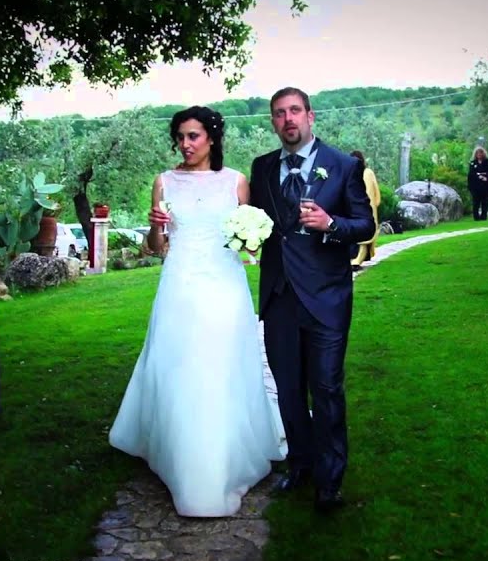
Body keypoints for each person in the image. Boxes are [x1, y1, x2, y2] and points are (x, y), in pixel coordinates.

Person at [108, 106, 286, 517]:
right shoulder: (164, 181)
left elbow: (249, 238)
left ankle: (224, 454)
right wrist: (156, 226)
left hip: (224, 285)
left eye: (194, 136)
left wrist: (250, 238)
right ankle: (180, 454)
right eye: (181, 137)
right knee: (180, 365)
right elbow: (156, 247)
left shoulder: (236, 181)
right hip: (180, 284)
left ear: (212, 138)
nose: (186, 145)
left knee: (221, 365)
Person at [248, 87, 376, 512]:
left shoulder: (343, 166)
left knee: (326, 389)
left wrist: (331, 223)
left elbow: (365, 225)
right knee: (288, 390)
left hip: (326, 298)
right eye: (279, 113)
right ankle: (300, 465)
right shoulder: (263, 167)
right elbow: (258, 223)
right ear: (273, 121)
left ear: (310, 116)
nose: (288, 119)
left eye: (295, 111)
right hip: (280, 297)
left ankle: (330, 480)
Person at [348, 150, 381, 269]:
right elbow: (377, 196)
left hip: (357, 211)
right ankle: (355, 261)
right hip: (365, 211)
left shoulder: (350, 173)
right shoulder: (366, 173)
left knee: (361, 238)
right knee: (363, 237)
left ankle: (356, 261)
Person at [467, 142, 488, 221]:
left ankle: (483, 217)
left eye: (480, 153)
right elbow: (471, 174)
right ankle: (476, 217)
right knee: (476, 202)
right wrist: (479, 176)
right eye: (477, 153)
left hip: (485, 186)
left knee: (485, 202)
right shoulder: (473, 163)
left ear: (483, 153)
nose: (479, 154)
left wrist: (484, 176)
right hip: (476, 187)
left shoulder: (487, 162)